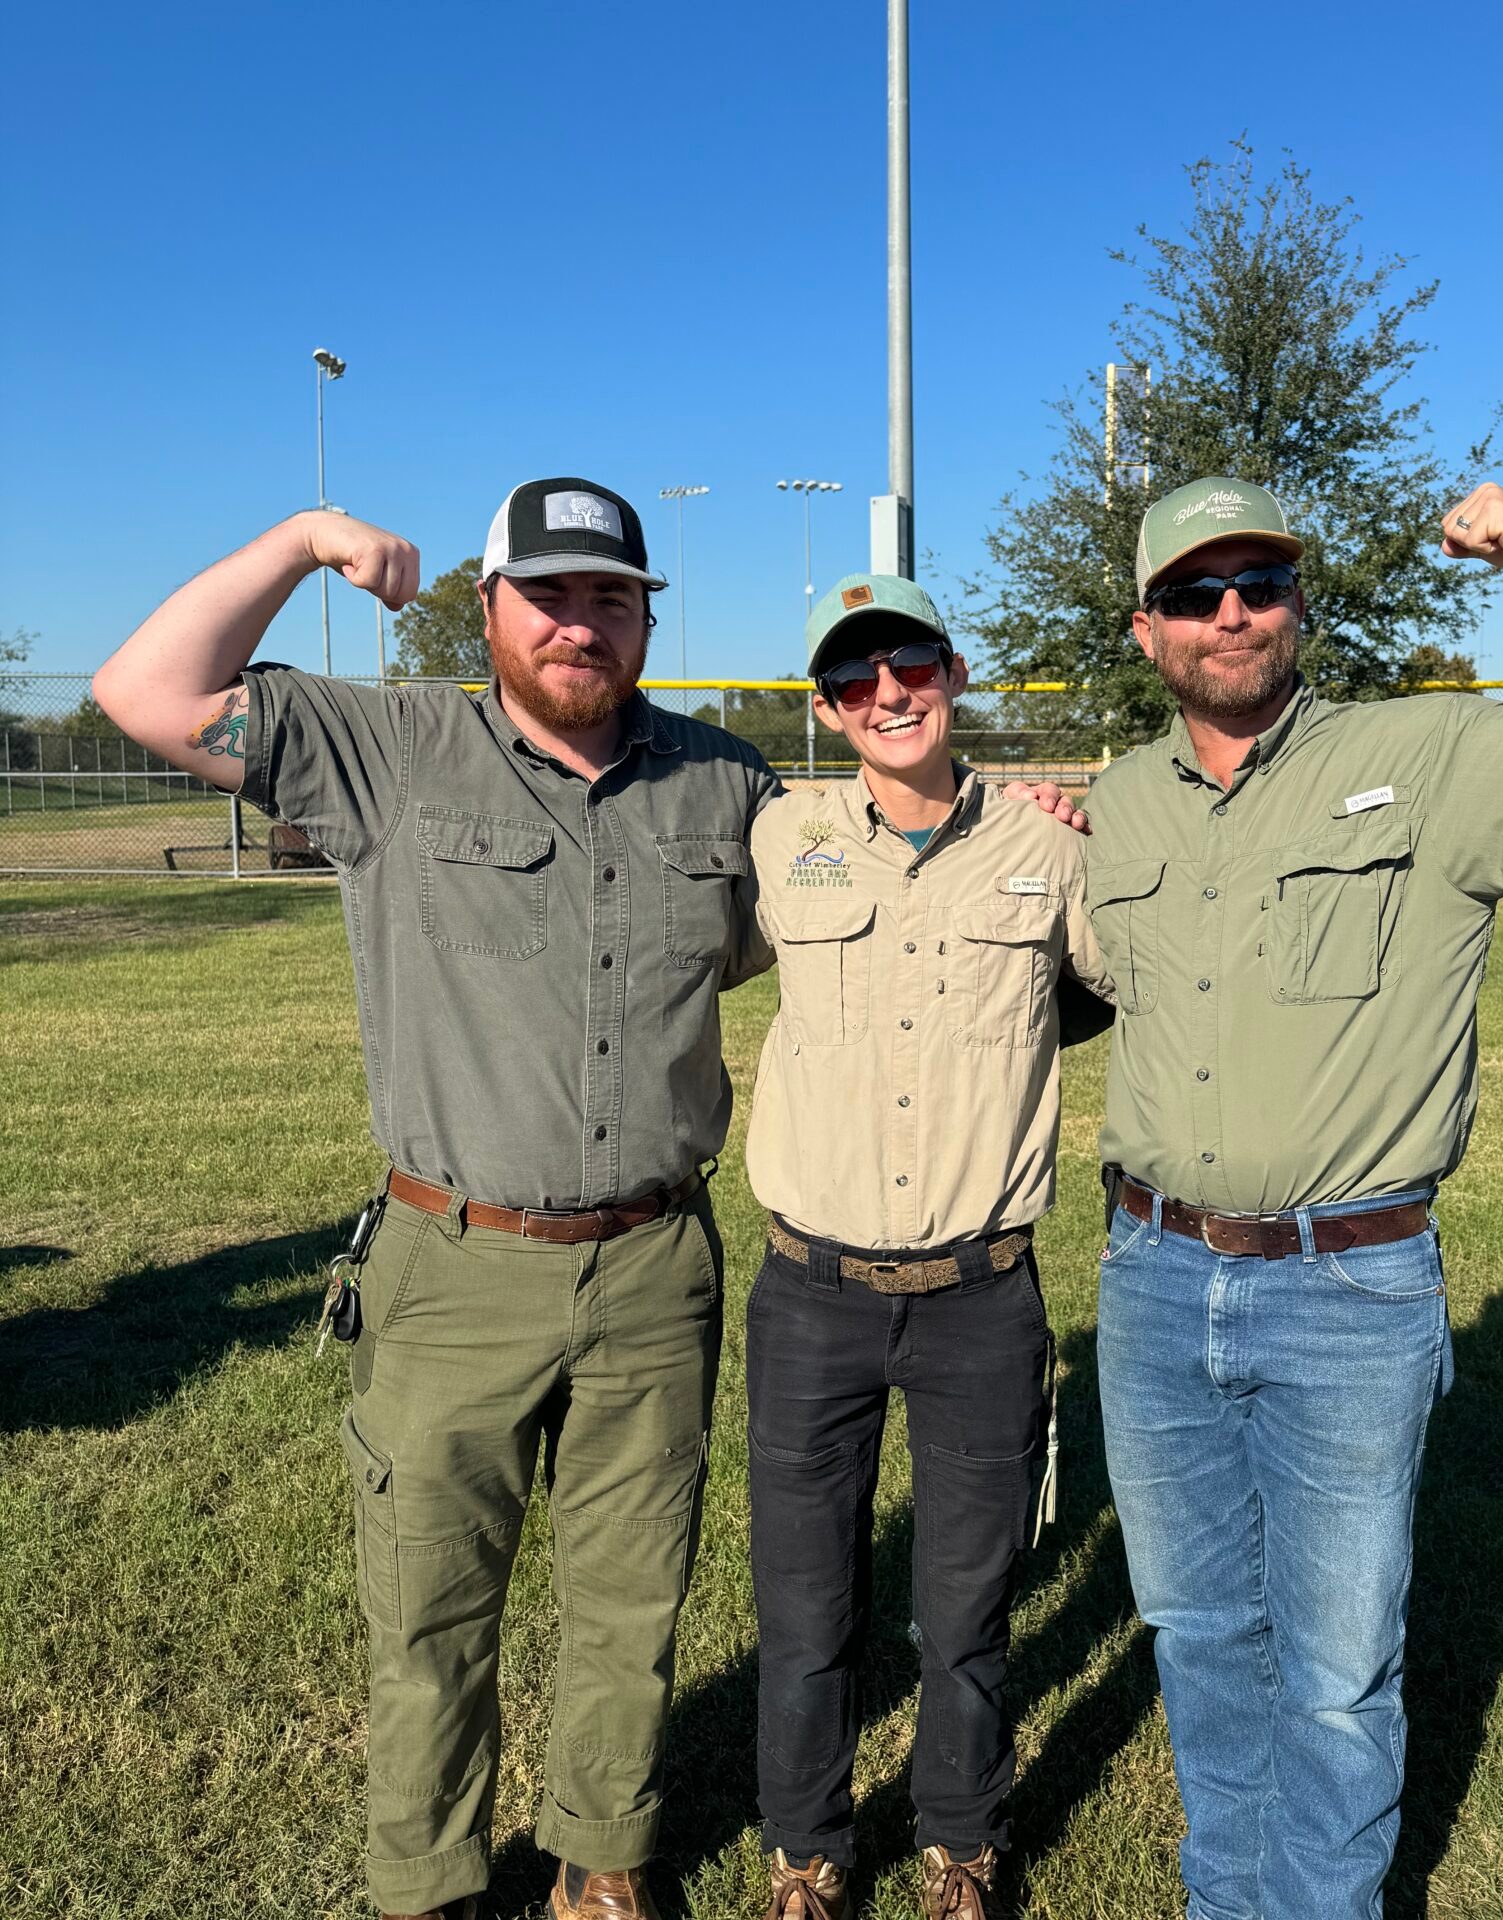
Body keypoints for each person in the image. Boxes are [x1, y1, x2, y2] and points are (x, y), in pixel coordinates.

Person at [1029, 477, 1503, 1920]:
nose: (1233, 612)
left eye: (1261, 583)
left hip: (1347, 1289)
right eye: (1196, 592)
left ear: (1300, 603)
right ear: (1146, 627)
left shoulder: (1429, 759)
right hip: (1152, 1282)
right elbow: (1096, 988)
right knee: (1201, 1636)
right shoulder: (1122, 806)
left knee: (1340, 1676)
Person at [91, 479, 779, 1920]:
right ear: (489, 609)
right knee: (428, 1608)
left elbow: (838, 923)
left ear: (647, 614)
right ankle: (431, 1883)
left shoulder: (727, 784)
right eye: (549, 594)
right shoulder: (387, 747)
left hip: (656, 1260)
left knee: (632, 1594)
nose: (579, 623)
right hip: (453, 1258)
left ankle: (604, 1859)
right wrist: (297, 540)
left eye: (610, 596)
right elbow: (144, 692)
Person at [740, 575, 1111, 1920]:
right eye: (852, 680)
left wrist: (1090, 821)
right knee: (804, 1613)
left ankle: (962, 1843)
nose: (885, 695)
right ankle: (809, 1854)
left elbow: (1127, 980)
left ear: (952, 671)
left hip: (980, 1298)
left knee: (967, 1611)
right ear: (829, 709)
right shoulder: (780, 840)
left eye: (907, 666)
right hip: (810, 1293)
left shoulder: (1047, 846)